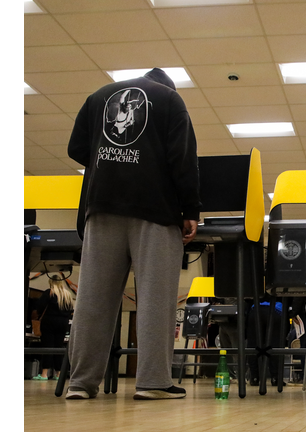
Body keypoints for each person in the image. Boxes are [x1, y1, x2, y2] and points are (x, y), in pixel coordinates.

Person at [66, 68, 201, 400]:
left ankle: (80, 384)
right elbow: (182, 159)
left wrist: (114, 163)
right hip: (155, 211)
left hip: (102, 207)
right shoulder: (171, 100)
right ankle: (153, 382)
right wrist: (191, 211)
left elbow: (76, 148)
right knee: (156, 298)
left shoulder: (98, 96)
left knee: (93, 299)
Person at [32, 278, 75, 380]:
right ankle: (58, 373)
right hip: (63, 323)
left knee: (48, 346)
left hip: (49, 321)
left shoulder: (49, 292)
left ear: (51, 283)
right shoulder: (67, 294)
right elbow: (71, 310)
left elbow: (40, 307)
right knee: (59, 347)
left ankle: (44, 374)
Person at [246, 294, 286, 387]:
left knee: (253, 344)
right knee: (275, 345)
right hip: (276, 309)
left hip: (255, 308)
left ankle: (254, 377)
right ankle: (275, 378)